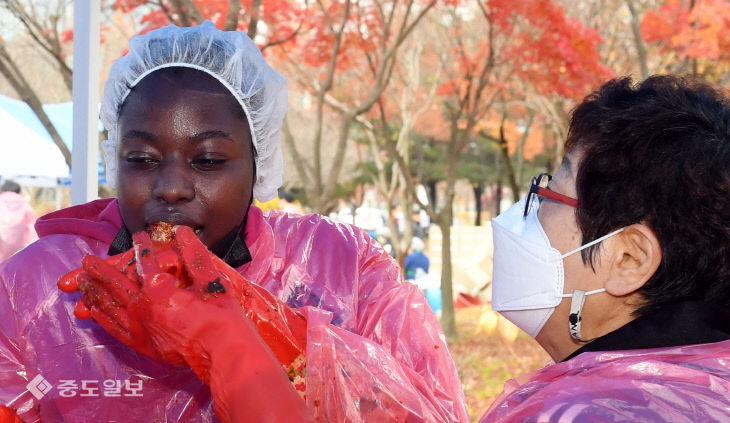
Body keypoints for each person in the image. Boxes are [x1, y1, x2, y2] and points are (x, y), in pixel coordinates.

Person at [0, 22, 468, 422]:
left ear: (257, 165)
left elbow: (427, 408)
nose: (171, 187)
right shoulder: (34, 289)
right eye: (141, 158)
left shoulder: (341, 266)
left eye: (207, 160)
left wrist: (244, 335)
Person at [483, 75, 730, 422]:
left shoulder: (589, 413)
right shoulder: (705, 386)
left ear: (630, 259)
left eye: (549, 192)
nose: (523, 213)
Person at [0, 180, 37, 262]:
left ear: (3, 190)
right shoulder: (24, 203)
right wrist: (33, 242)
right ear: (19, 191)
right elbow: (32, 226)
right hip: (18, 248)